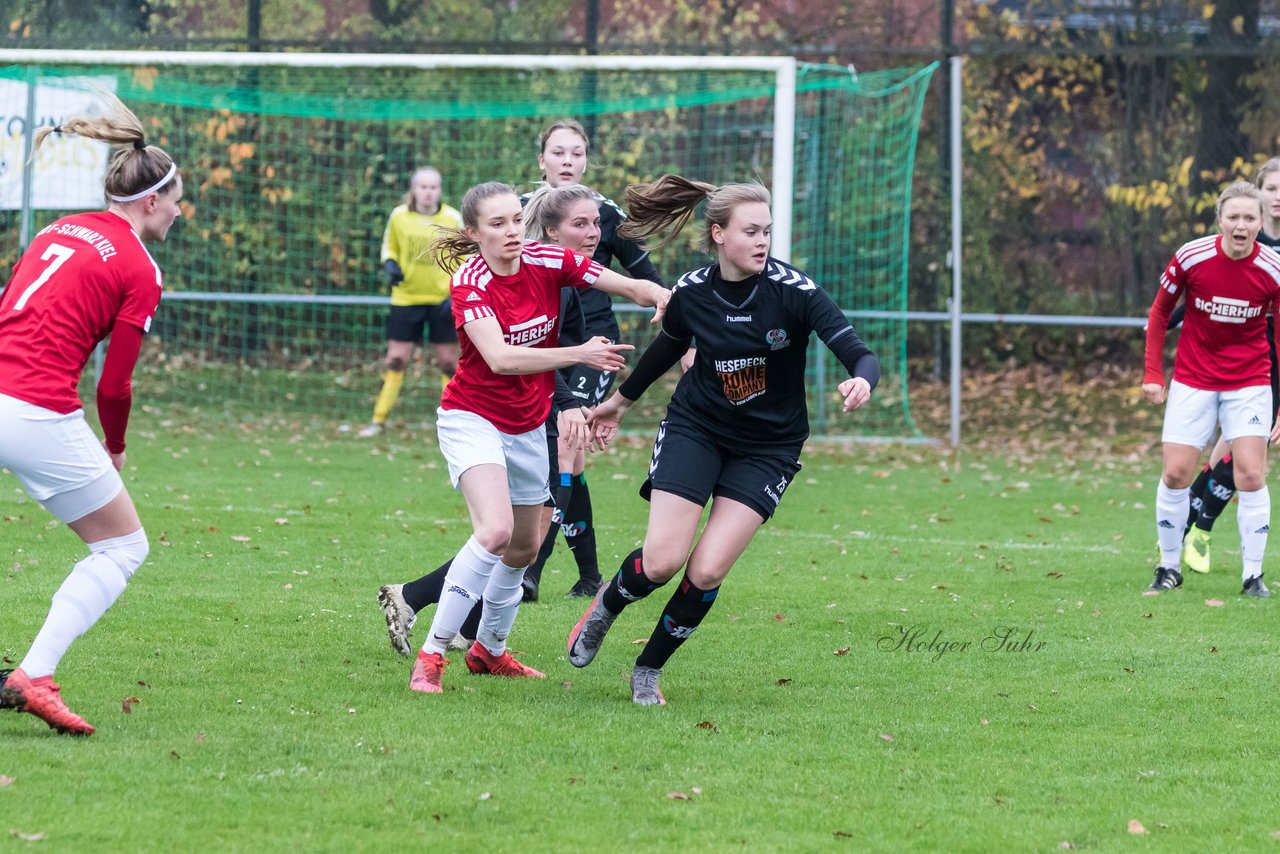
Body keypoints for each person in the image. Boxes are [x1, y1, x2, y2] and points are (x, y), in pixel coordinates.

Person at [565, 176, 880, 705]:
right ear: (719, 234)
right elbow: (668, 347)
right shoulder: (693, 291)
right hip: (697, 429)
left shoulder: (795, 292)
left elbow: (855, 348)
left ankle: (647, 670)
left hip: (769, 448)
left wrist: (862, 379)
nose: (762, 242)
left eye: (767, 232)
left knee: (707, 568)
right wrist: (619, 403)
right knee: (662, 562)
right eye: (751, 231)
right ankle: (606, 607)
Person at [405, 181, 669, 695]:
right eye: (497, 224)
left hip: (526, 423)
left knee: (525, 548)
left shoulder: (549, 261)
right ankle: (433, 654)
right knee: (496, 531)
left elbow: (630, 286)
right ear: (474, 233)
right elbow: (501, 359)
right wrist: (578, 354)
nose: (511, 232)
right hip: (472, 417)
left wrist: (662, 296)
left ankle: (490, 651)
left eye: (515, 221)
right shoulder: (471, 280)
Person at [0, 94, 183, 734]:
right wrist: (116, 445)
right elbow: (116, 383)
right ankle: (35, 675)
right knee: (123, 546)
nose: (181, 211)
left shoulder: (55, 229)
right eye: (177, 199)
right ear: (151, 201)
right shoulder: (140, 265)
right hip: (35, 410)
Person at [375, 182, 598, 656]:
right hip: (498, 413)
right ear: (554, 231)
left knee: (527, 538)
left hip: (535, 416)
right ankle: (446, 639)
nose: (594, 233)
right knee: (506, 530)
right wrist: (572, 402)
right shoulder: (521, 271)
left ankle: (461, 628)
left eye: (597, 224)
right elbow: (520, 354)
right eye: (582, 225)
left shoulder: (573, 274)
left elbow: (627, 290)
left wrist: (666, 298)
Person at [520, 120, 667, 600]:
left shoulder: (603, 212)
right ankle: (588, 576)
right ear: (541, 160)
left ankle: (530, 574)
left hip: (593, 349)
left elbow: (644, 274)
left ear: (587, 160)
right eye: (558, 152)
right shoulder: (520, 213)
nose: (567, 161)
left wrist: (685, 340)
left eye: (577, 153)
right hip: (538, 346)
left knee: (564, 445)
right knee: (572, 461)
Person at [1143, 181, 1280, 597]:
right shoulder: (1191, 256)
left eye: (1249, 218)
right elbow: (1160, 311)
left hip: (1250, 381)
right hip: (1193, 379)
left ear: (1261, 223)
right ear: (1220, 219)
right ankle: (1168, 568)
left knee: (1251, 474)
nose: (1241, 225)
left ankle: (1252, 576)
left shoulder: (1273, 270)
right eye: (1233, 217)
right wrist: (1153, 372)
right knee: (1175, 473)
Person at [1178, 158, 1280, 574]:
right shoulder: (1244, 240)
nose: (1279, 196)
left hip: (1275, 362)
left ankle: (1191, 523)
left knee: (1237, 456)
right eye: (1272, 188)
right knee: (1246, 458)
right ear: (1259, 195)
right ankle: (1196, 529)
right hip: (1247, 362)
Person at [357, 167, 464, 438]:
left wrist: (454, 293)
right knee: (396, 359)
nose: (428, 192)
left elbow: (465, 258)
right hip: (406, 298)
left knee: (448, 363)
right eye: (423, 187)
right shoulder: (399, 216)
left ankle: (454, 423)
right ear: (413, 190)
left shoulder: (452, 218)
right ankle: (378, 420)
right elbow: (389, 247)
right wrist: (390, 264)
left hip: (442, 300)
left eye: (433, 187)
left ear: (439, 190)